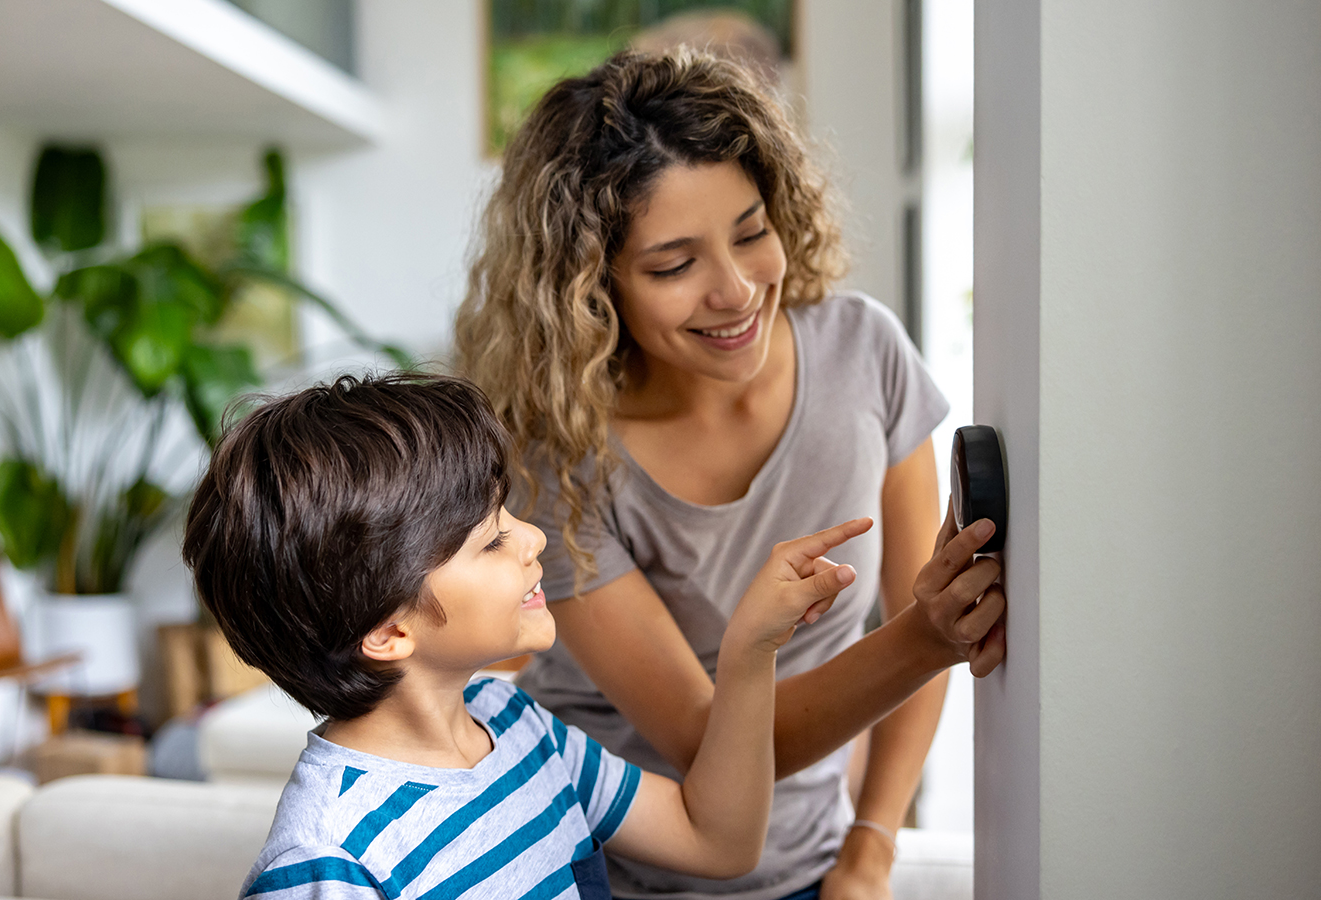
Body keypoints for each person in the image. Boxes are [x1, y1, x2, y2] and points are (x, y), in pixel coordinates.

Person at [454, 49, 1006, 900]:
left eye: (751, 232)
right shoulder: (556, 454)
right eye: (674, 266)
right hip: (590, 874)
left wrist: (871, 848)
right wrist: (926, 639)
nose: (739, 290)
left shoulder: (865, 354)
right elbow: (710, 744)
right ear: (591, 287)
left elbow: (911, 606)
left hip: (808, 866)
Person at [180, 374, 1000, 900]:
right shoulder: (326, 861)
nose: (533, 536)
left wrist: (751, 651)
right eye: (491, 540)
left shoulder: (509, 723)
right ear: (390, 630)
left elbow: (720, 840)